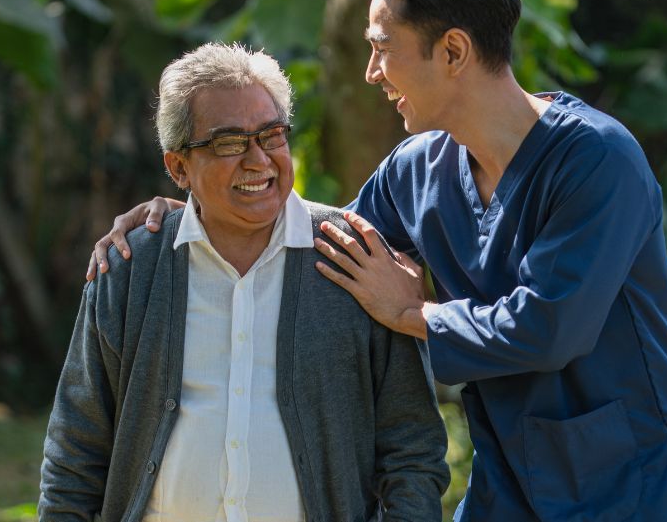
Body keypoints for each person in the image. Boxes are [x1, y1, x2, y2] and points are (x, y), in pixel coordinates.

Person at [89, 0, 667, 521]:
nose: (371, 72)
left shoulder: (598, 161)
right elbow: (320, 248)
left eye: (382, 48)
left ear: (452, 51)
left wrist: (412, 314)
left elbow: (549, 328)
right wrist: (199, 205)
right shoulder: (418, 169)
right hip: (510, 484)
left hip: (635, 484)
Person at [41, 42, 449, 522]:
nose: (258, 160)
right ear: (178, 168)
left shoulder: (354, 259)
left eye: (272, 135)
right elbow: (75, 451)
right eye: (229, 142)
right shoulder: (132, 268)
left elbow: (412, 453)